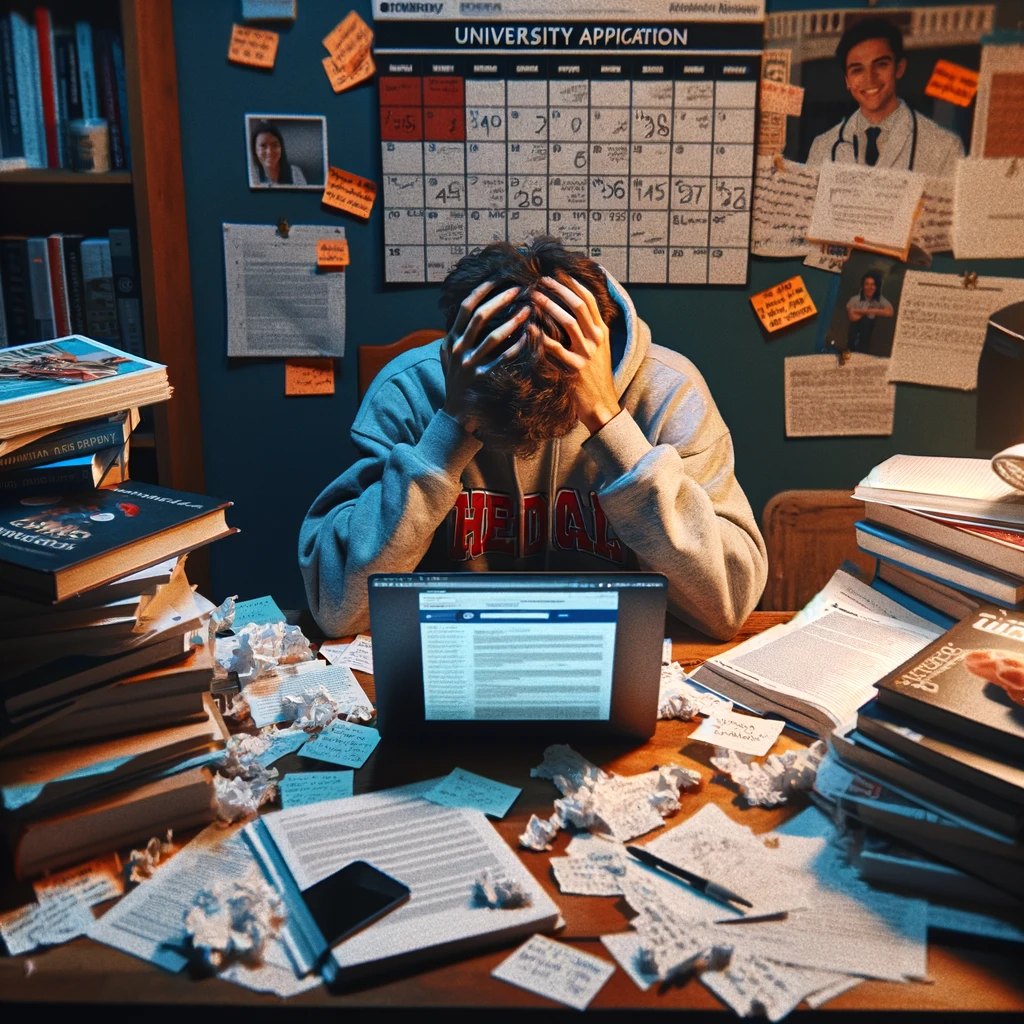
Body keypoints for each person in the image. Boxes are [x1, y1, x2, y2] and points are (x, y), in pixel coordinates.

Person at [299, 238, 768, 642]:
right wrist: (451, 428)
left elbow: (726, 606)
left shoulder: (669, 393)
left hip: (614, 659)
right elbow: (340, 607)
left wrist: (609, 422)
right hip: (454, 656)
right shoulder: (407, 392)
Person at [806, 16, 964, 176]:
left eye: (881, 65)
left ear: (899, 68)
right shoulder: (823, 147)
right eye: (857, 70)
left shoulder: (944, 148)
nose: (870, 78)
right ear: (847, 80)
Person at [845, 270, 894, 353]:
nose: (870, 287)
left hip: (870, 339)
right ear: (863, 286)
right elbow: (852, 317)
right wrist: (870, 312)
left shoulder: (880, 300)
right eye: (867, 284)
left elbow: (889, 312)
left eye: (873, 284)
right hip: (854, 336)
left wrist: (860, 311)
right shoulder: (854, 299)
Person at [251, 121, 306, 186]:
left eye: (274, 145)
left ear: (281, 147)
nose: (269, 152)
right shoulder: (253, 176)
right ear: (255, 150)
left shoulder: (294, 173)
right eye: (263, 146)